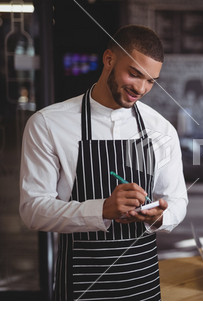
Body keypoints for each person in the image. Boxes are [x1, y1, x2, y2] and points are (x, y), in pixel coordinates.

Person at [19, 25, 188, 301]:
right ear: (109, 59)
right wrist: (103, 209)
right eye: (134, 74)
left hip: (141, 282)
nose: (141, 88)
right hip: (81, 284)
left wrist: (160, 216)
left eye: (150, 81)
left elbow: (178, 201)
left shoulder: (162, 129)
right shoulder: (48, 124)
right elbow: (32, 209)